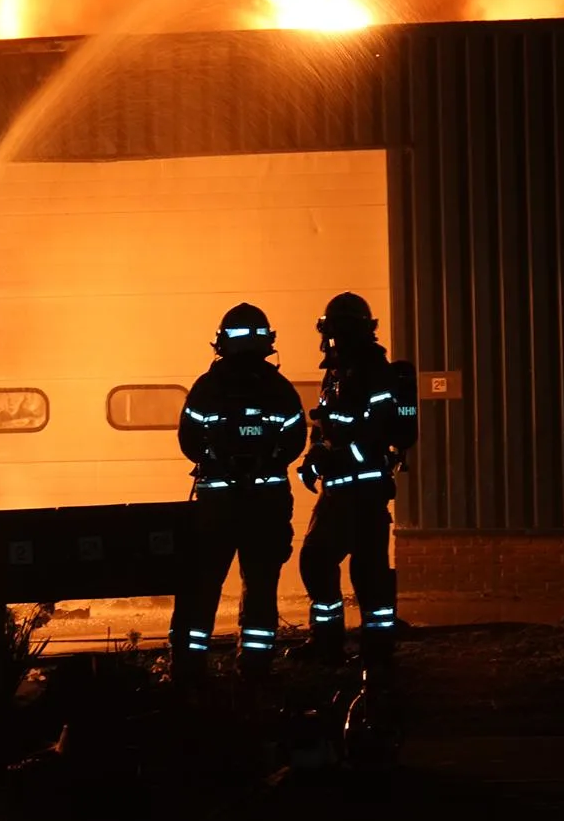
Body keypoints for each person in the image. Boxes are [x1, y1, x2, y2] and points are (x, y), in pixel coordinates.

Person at [167, 303, 307, 685]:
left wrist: (221, 463)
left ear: (221, 342)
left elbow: (188, 440)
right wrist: (264, 464)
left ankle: (189, 669)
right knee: (261, 587)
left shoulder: (207, 388)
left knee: (202, 585)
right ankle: (255, 669)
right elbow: (296, 439)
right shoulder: (279, 390)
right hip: (266, 506)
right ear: (267, 342)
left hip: (217, 507)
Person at [296, 292, 418, 679]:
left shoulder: (372, 371)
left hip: (359, 489)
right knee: (362, 570)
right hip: (344, 487)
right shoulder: (337, 372)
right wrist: (314, 456)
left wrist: (331, 455)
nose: (331, 338)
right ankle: (356, 647)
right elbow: (327, 425)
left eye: (336, 330)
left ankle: (356, 648)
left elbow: (370, 429)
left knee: (329, 563)